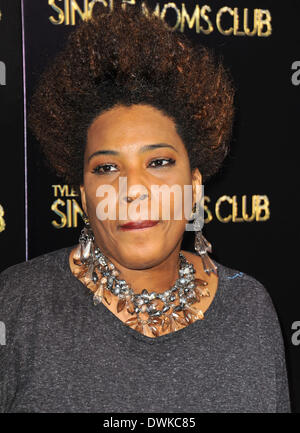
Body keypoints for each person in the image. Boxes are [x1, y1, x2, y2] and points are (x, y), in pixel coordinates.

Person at [0, 1, 291, 413]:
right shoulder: (17, 304)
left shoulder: (249, 308)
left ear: (193, 187)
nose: (133, 188)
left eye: (158, 162)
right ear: (84, 196)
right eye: (106, 167)